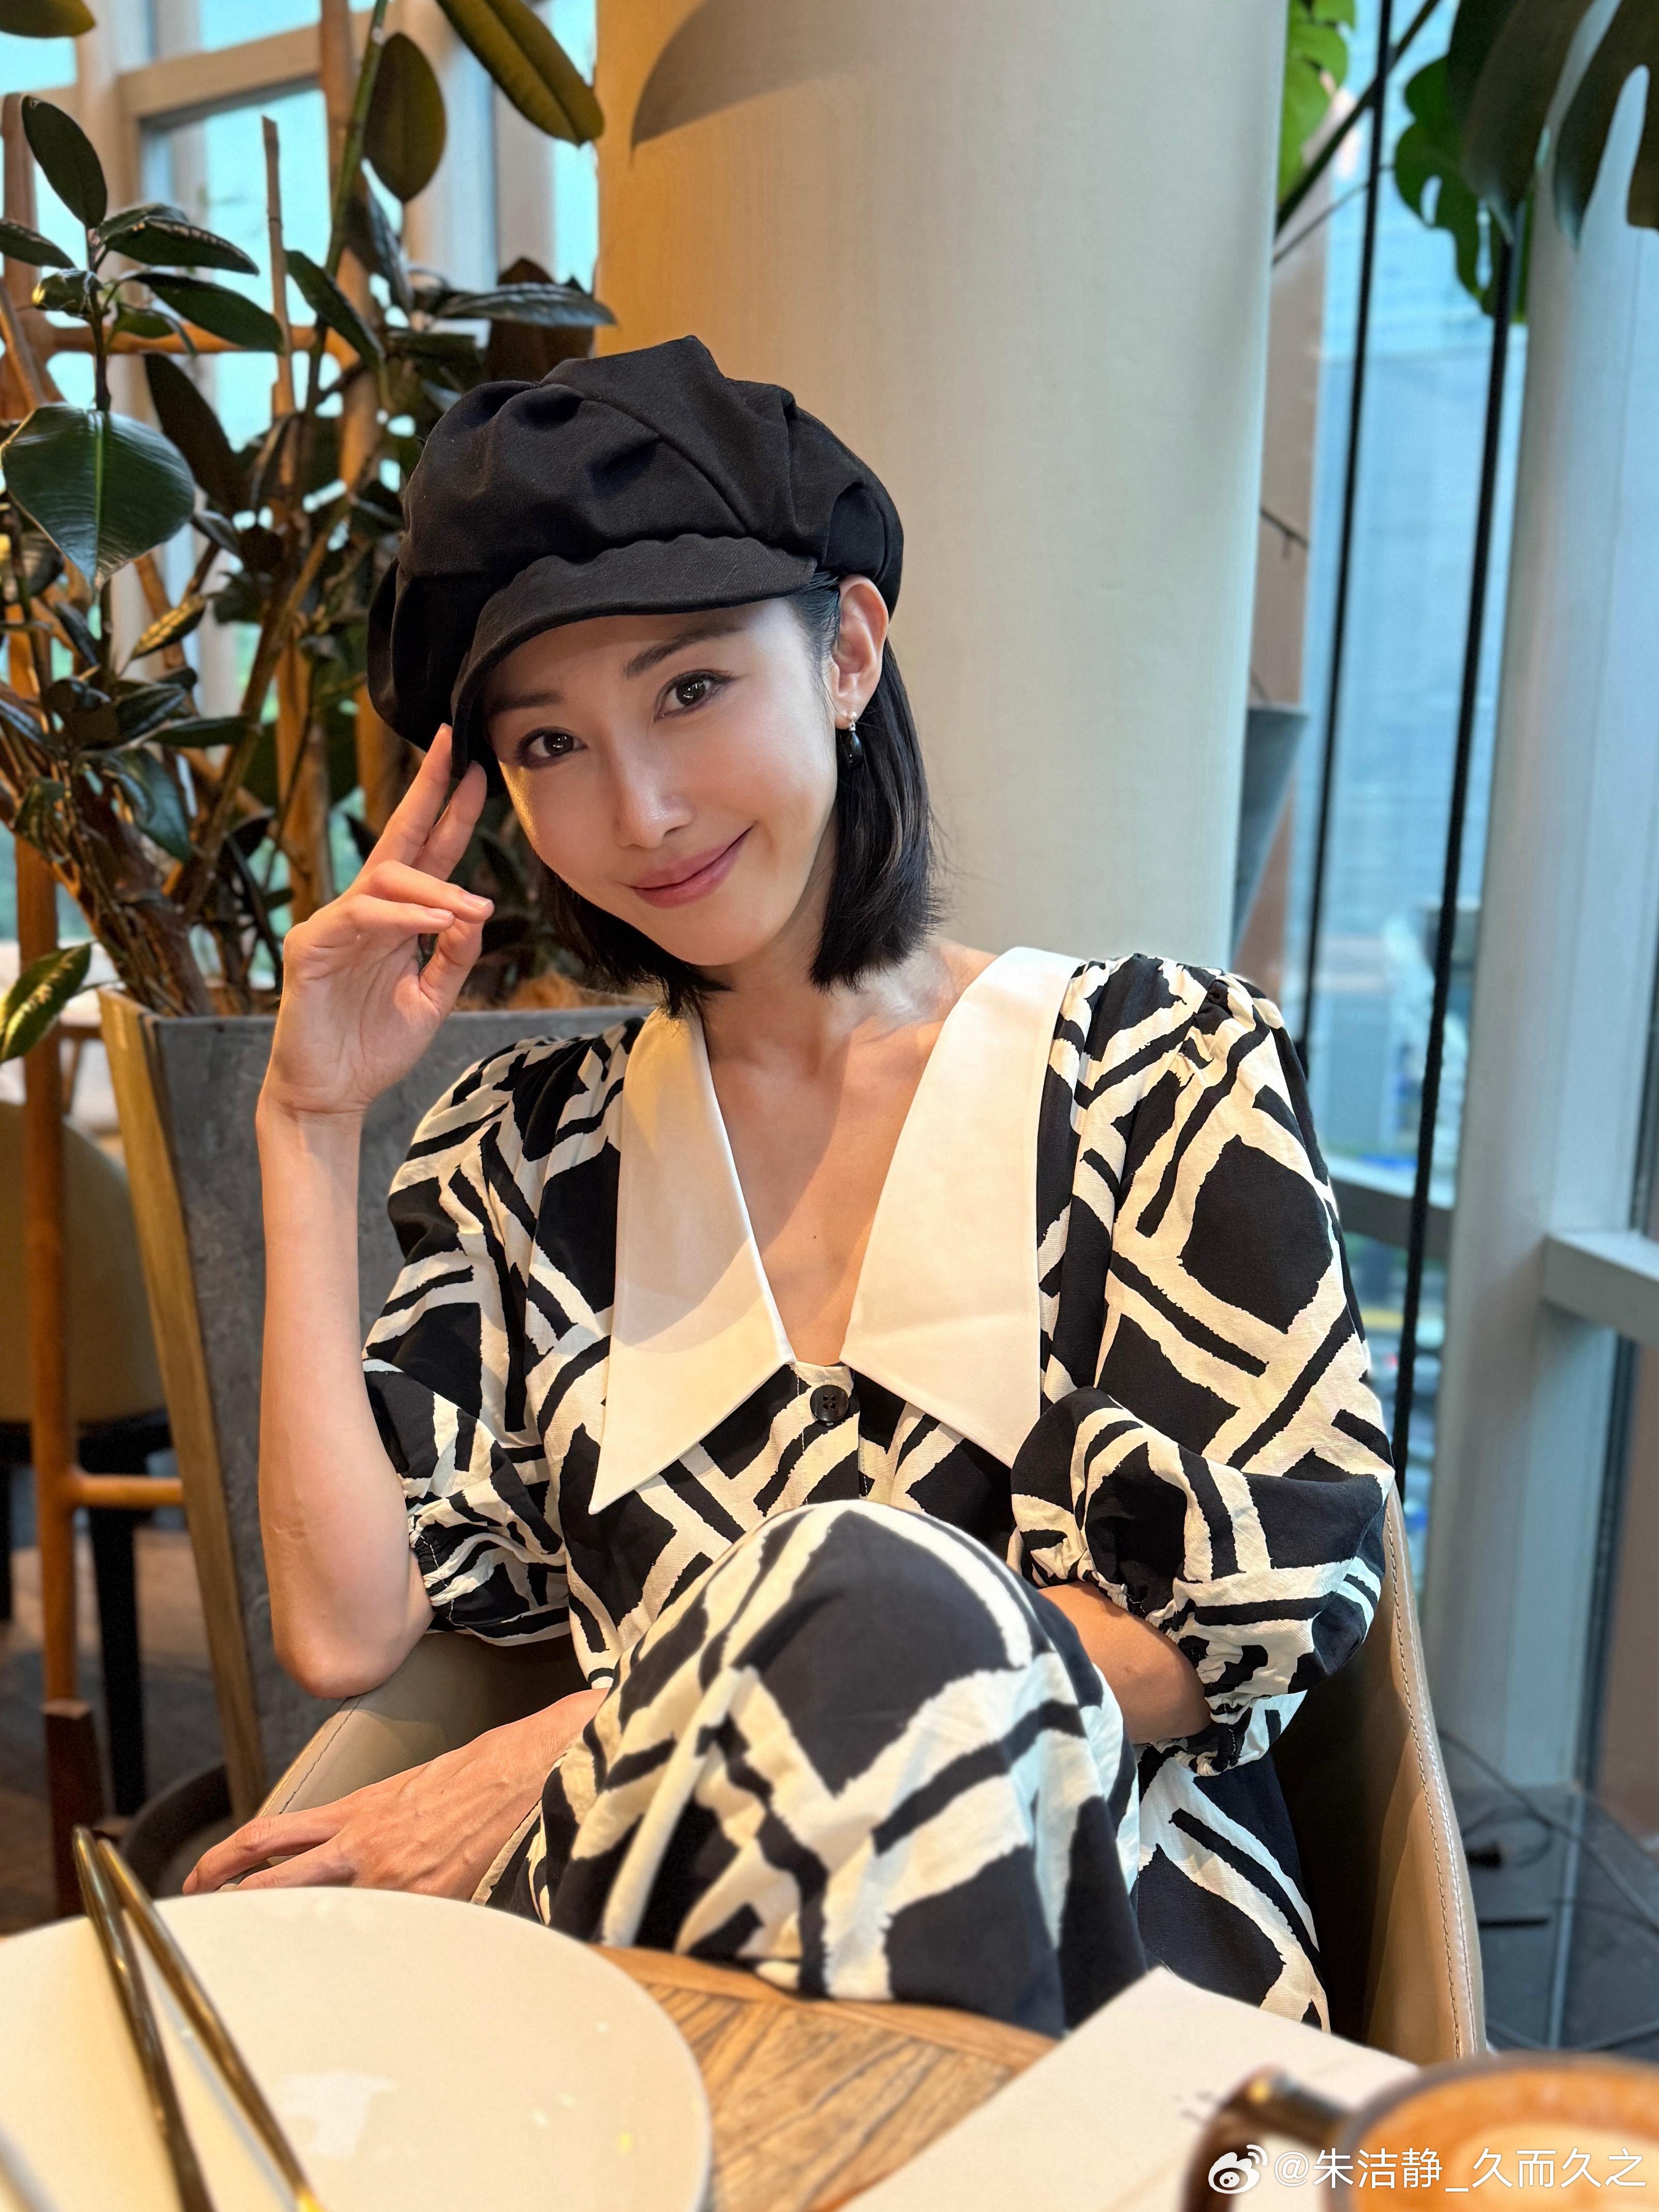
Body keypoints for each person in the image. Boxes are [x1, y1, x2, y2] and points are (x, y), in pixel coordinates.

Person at [187, 337, 1392, 2036]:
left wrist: (580, 1741)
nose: (642, 809)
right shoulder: (524, 1156)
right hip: (656, 1971)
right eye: (551, 744)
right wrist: (309, 1121)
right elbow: (341, 1631)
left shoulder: (1156, 1071)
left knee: (868, 1580)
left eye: (689, 690)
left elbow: (1227, 1631)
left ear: (846, 650)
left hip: (1101, 1972)